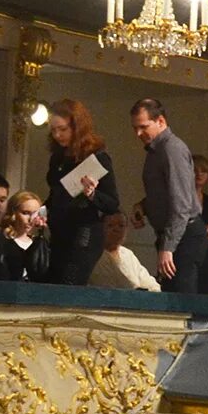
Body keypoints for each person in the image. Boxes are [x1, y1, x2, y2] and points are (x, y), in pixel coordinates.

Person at [132, 98, 206, 293]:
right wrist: (143, 206)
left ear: (161, 122)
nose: (138, 133)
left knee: (180, 304)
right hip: (176, 234)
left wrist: (168, 247)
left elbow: (181, 205)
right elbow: (165, 194)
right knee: (171, 299)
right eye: (135, 128)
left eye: (143, 127)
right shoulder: (157, 150)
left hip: (184, 237)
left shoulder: (171, 149)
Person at [43, 98, 118, 286]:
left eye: (63, 129)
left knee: (70, 283)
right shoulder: (58, 157)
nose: (57, 135)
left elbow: (112, 203)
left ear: (77, 127)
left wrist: (92, 194)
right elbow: (57, 195)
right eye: (53, 130)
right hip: (60, 232)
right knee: (54, 283)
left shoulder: (97, 157)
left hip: (84, 232)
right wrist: (41, 211)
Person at [89, 210, 159, 290]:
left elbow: (150, 284)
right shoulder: (91, 255)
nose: (116, 229)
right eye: (110, 225)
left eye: (121, 226)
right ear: (101, 228)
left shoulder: (128, 255)